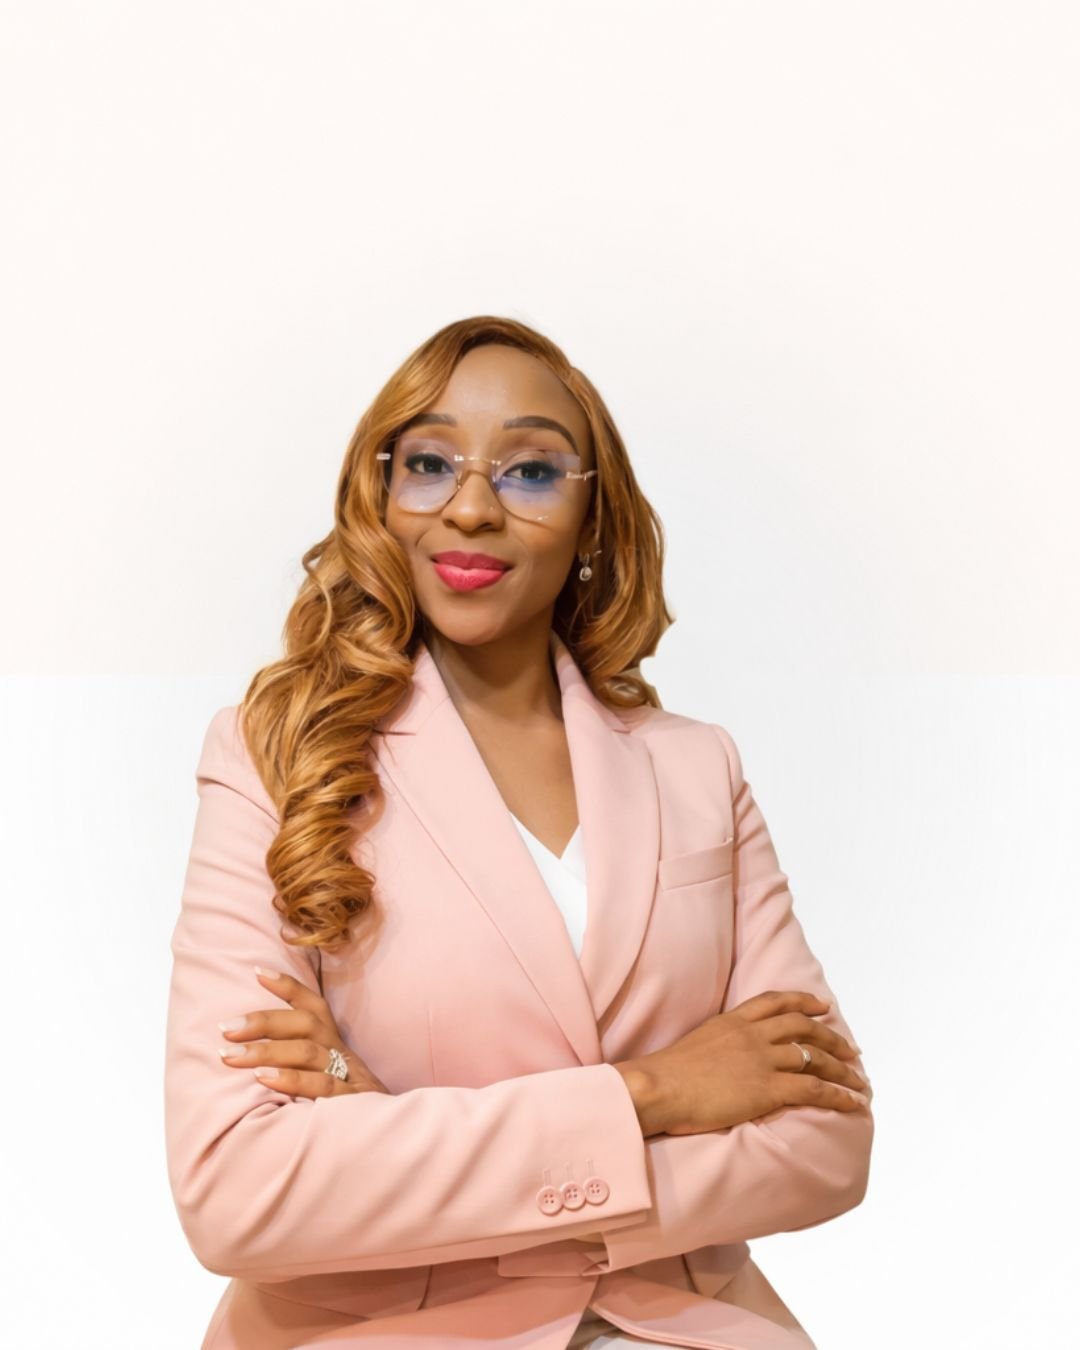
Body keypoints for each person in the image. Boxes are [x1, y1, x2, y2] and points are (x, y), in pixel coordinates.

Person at [164, 316, 874, 1350]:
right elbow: (235, 1188)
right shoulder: (274, 754)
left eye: (531, 471)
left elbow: (825, 1140)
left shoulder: (694, 768)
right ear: (382, 494)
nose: (469, 508)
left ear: (593, 517)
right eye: (431, 463)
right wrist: (660, 1092)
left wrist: (382, 1129)